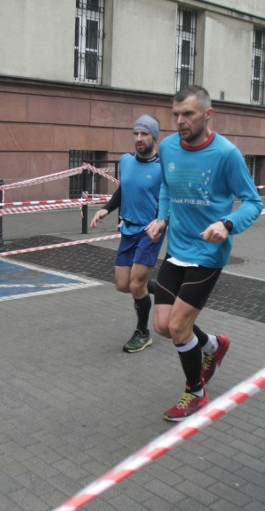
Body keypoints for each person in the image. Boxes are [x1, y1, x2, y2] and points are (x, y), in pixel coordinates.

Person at [145, 85, 263, 422]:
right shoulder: (167, 147)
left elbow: (253, 202)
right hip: (176, 249)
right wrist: (162, 218)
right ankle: (213, 345)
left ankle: (196, 393)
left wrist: (227, 223)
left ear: (208, 114)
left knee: (180, 328)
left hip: (208, 254)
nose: (180, 121)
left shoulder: (226, 154)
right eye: (176, 115)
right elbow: (167, 186)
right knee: (163, 326)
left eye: (188, 115)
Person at [90, 115, 164, 353]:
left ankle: (143, 332)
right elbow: (124, 189)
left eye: (144, 134)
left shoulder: (163, 168)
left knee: (135, 284)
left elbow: (169, 201)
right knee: (122, 285)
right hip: (128, 229)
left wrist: (162, 222)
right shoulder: (126, 161)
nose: (139, 139)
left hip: (150, 231)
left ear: (154, 137)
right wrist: (105, 209)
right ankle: (163, 288)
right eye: (136, 134)